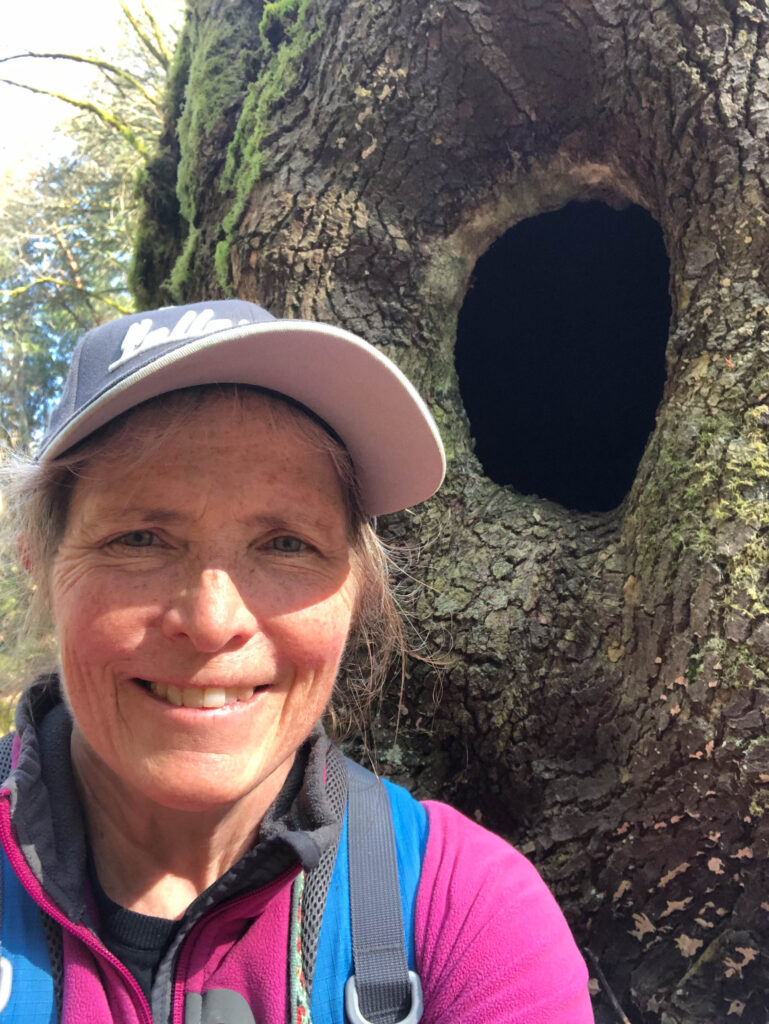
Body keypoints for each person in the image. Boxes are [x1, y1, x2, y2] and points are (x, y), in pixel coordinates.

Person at [0, 300, 594, 1023]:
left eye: (286, 544)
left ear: (357, 589)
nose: (213, 622)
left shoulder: (465, 912)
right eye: (139, 538)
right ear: (41, 561)